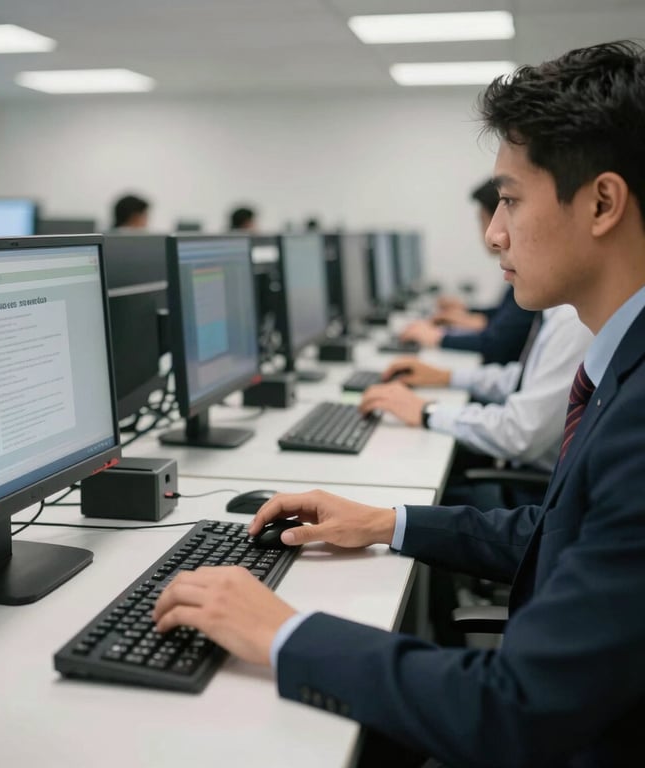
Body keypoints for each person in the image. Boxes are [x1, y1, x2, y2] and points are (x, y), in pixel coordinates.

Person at [153, 41, 645, 767]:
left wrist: (283, 632)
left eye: (510, 200)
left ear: (602, 203)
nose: (493, 233)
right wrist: (387, 522)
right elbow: (560, 532)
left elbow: (515, 711)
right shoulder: (624, 367)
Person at [360, 304, 592, 505]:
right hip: (525, 476)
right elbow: (523, 380)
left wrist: (426, 411)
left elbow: (519, 434)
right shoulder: (559, 314)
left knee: (400, 480)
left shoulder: (573, 323)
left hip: (533, 498)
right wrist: (447, 376)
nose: (503, 271)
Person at [399, 180, 537, 364]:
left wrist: (438, 337)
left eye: (481, 220)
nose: (488, 234)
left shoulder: (531, 280)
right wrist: (466, 312)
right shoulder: (519, 275)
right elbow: (505, 317)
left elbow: (498, 341)